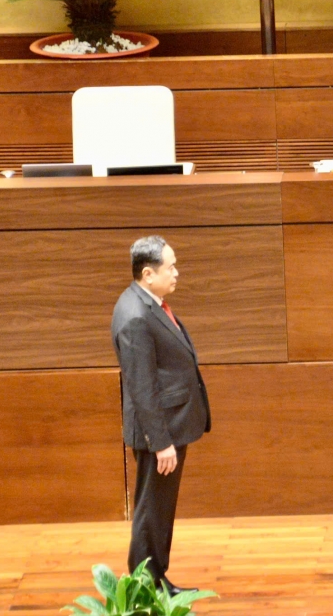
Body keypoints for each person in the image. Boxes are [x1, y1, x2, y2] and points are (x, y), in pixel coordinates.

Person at [112, 236, 211, 593]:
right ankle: (145, 587)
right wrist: (161, 442)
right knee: (151, 512)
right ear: (148, 273)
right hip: (160, 432)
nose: (176, 272)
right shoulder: (136, 316)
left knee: (157, 509)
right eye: (170, 267)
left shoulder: (145, 301)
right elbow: (141, 386)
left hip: (167, 427)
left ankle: (155, 580)